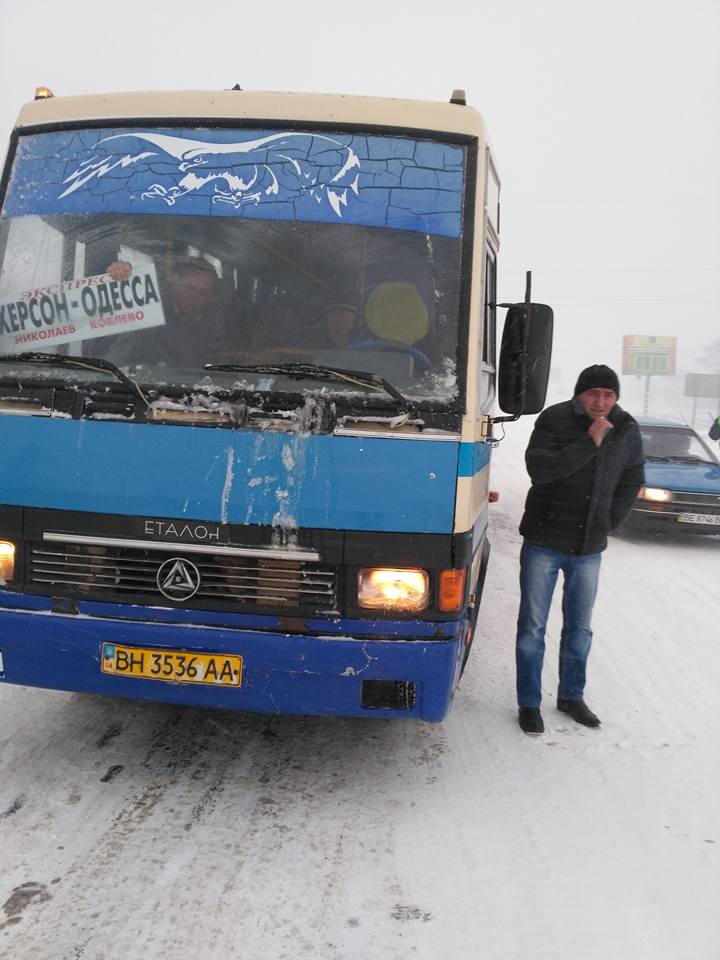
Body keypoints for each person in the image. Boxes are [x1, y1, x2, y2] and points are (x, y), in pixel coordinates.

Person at [515, 364, 645, 735]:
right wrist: (590, 441)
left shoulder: (628, 428)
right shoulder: (554, 419)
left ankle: (571, 696)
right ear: (579, 394)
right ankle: (529, 702)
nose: (601, 402)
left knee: (580, 628)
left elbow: (633, 476)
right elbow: (540, 471)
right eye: (593, 394)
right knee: (532, 627)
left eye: (608, 395)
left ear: (616, 398)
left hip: (589, 546)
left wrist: (610, 521)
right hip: (544, 541)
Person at [103, 257, 225, 368]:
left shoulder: (219, 324)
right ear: (175, 280)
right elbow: (115, 361)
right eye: (190, 287)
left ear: (211, 297)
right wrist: (119, 277)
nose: (194, 296)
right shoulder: (147, 313)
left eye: (203, 293)